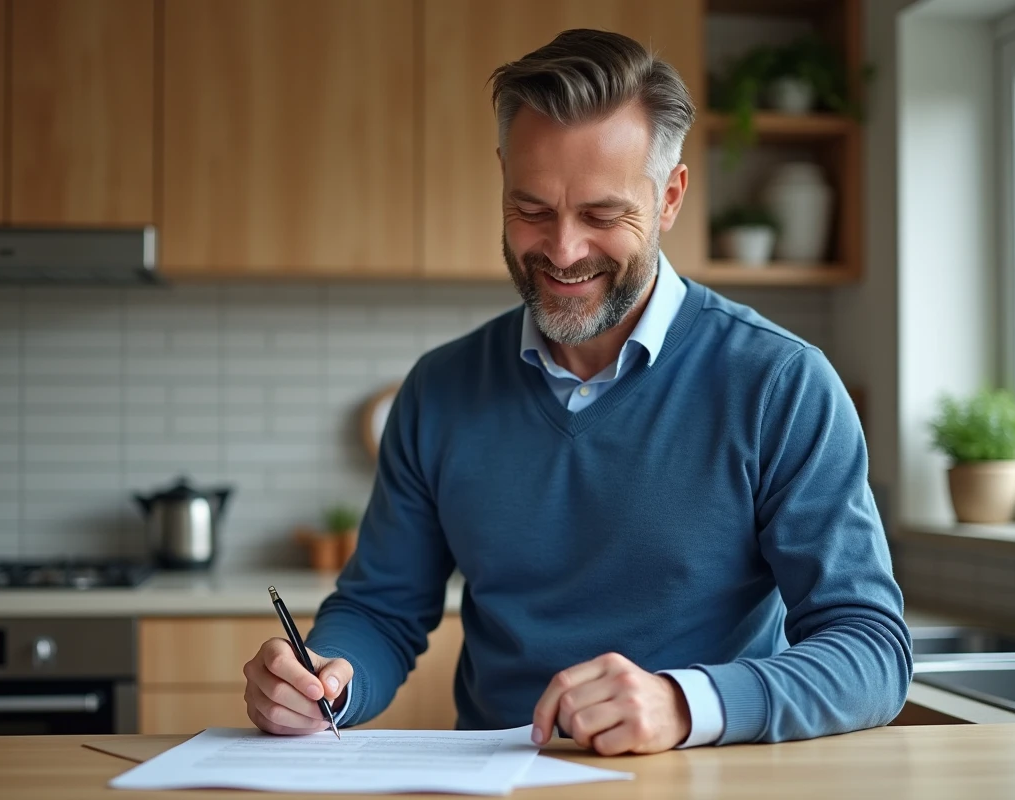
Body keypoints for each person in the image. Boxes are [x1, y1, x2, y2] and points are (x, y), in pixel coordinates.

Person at [243, 28, 912, 755]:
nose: (562, 251)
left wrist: (684, 704)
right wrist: (328, 681)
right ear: (502, 178)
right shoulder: (439, 389)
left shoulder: (780, 384)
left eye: (601, 215)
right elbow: (379, 609)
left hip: (705, 776)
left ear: (671, 197)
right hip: (498, 778)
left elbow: (873, 650)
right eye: (532, 209)